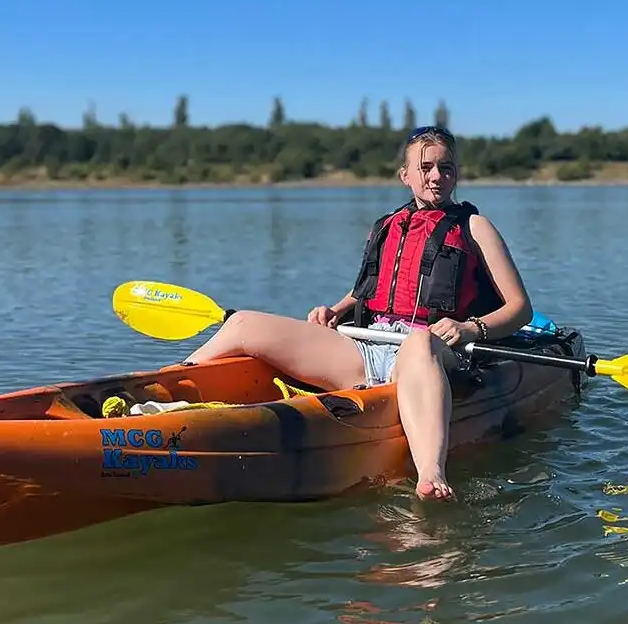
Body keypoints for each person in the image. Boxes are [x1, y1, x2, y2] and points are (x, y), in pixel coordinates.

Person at [184, 125, 535, 500]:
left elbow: (520, 309)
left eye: (446, 168)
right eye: (426, 167)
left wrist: (470, 328)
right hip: (367, 349)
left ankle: (431, 474)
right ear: (406, 176)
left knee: (419, 341)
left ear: (457, 173)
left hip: (433, 353)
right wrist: (334, 310)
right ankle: (163, 395)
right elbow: (367, 290)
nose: (436, 176)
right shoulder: (386, 226)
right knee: (242, 323)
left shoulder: (475, 227)